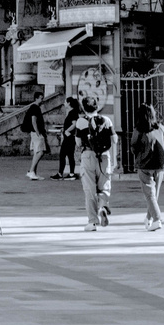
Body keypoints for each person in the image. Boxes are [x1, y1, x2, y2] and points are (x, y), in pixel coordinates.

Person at [70, 97, 116, 231]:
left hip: (88, 156)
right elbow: (115, 140)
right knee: (104, 187)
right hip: (104, 157)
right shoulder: (106, 120)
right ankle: (102, 206)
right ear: (97, 107)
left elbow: (78, 143)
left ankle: (92, 222)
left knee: (90, 190)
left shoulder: (81, 121)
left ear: (84, 108)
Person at [131, 104, 164, 231]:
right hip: (160, 164)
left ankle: (157, 219)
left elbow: (133, 147)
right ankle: (149, 218)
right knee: (154, 194)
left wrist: (140, 153)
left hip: (144, 165)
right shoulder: (161, 128)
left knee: (149, 195)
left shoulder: (138, 130)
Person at [56, 96, 81, 180]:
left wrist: (67, 130)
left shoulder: (72, 112)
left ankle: (60, 173)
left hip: (69, 137)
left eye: (65, 102)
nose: (64, 103)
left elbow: (74, 124)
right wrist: (64, 128)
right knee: (70, 155)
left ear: (69, 103)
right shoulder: (73, 112)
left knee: (62, 154)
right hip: (70, 137)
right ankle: (71, 174)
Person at [22, 100, 47, 180]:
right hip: (36, 133)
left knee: (37, 152)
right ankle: (31, 171)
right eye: (41, 98)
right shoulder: (35, 107)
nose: (42, 100)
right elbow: (34, 121)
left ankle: (33, 173)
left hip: (34, 132)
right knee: (40, 151)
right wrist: (38, 132)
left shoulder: (34, 107)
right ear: (36, 98)